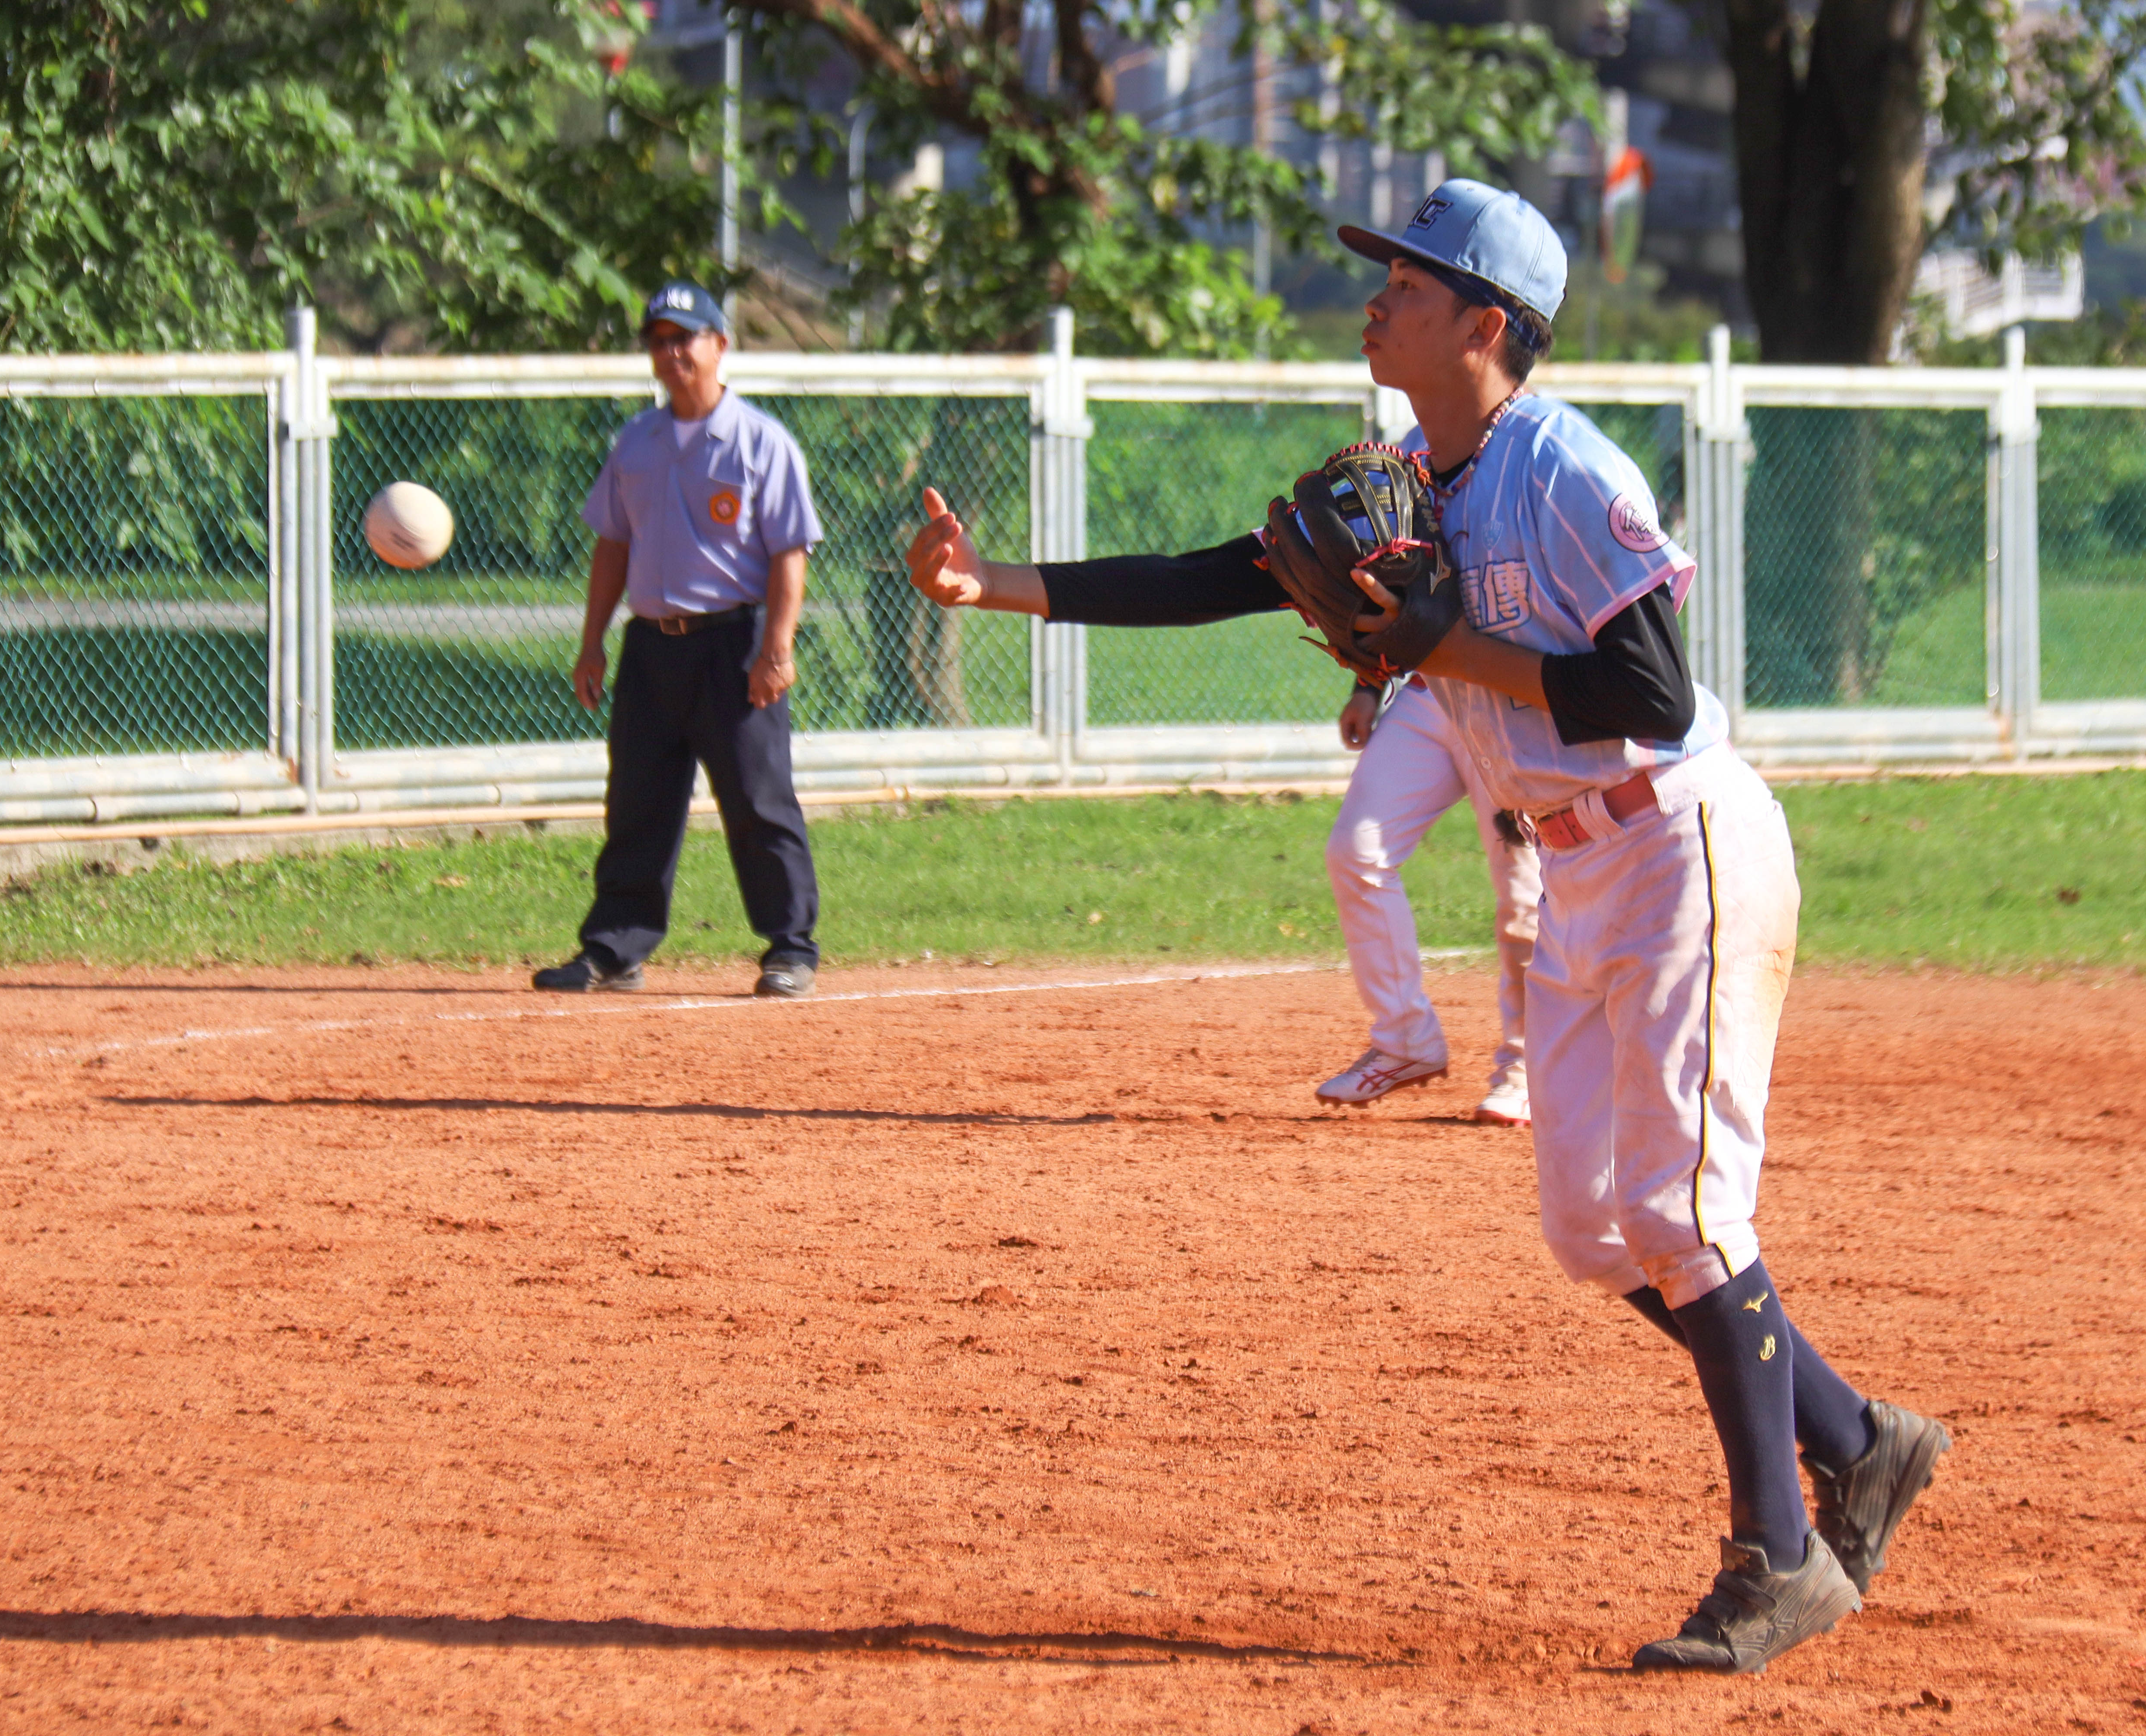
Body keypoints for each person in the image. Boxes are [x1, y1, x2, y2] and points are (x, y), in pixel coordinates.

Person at [901, 181, 1950, 1675]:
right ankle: (1860, 1439)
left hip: (1681, 845)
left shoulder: (1566, 473)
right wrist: (992, 585)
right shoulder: (1405, 472)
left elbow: (1650, 691)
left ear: (1486, 326)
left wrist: (1448, 647)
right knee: (1595, 1232)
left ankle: (1781, 1552)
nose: (1377, 295)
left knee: (1680, 1213)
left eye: (1407, 279)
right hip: (1588, 873)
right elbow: (1227, 575)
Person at [531, 281, 826, 1000]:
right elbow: (612, 543)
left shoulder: (762, 443)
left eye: (684, 338)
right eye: (658, 341)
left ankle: (790, 947)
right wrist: (593, 641)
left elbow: (792, 553)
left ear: (720, 346)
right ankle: (616, 949)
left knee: (757, 799)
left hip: (735, 642)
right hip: (652, 644)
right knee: (638, 798)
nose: (670, 353)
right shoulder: (638, 441)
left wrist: (777, 649)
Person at [1322, 671, 1539, 1124]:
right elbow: (1403, 602)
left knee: (1525, 893)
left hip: (1511, 701)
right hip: (1429, 692)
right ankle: (1405, 1040)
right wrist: (1368, 686)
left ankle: (1528, 1070)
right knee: (1357, 852)